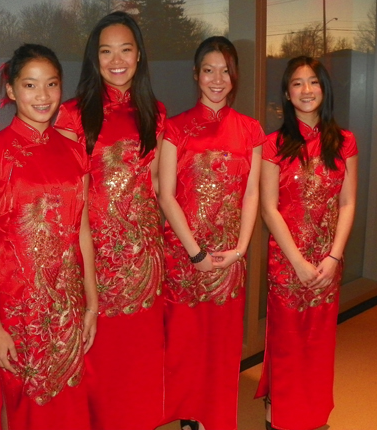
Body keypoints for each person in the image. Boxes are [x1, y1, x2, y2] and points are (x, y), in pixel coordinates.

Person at [0, 44, 98, 430]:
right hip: (20, 313)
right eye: (30, 85)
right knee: (30, 412)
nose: (43, 96)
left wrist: (92, 304)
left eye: (52, 84)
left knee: (72, 409)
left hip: (70, 307)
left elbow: (82, 231)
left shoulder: (76, 152)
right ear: (11, 90)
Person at [54, 11, 166, 430]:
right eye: (106, 51)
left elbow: (154, 187)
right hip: (95, 264)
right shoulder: (70, 116)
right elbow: (66, 198)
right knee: (101, 371)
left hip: (145, 264)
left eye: (125, 49)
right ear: (93, 58)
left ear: (138, 56)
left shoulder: (154, 112)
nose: (116, 59)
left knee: (140, 367)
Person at [158, 36, 264, 430]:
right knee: (186, 346)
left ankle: (216, 418)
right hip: (186, 258)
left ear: (234, 77)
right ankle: (190, 416)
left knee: (221, 348)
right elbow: (166, 196)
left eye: (225, 71)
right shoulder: (176, 128)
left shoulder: (251, 130)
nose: (217, 79)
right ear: (196, 75)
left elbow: (252, 191)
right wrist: (196, 254)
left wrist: (239, 250)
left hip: (229, 259)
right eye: (208, 70)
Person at [255, 56, 358, 430]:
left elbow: (347, 203)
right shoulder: (273, 144)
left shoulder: (345, 142)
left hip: (328, 263)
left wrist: (334, 256)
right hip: (288, 263)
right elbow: (269, 209)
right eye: (297, 83)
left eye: (313, 82)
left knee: (318, 345)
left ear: (324, 89)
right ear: (286, 93)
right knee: (287, 345)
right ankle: (278, 417)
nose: (306, 90)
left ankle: (314, 417)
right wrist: (297, 261)